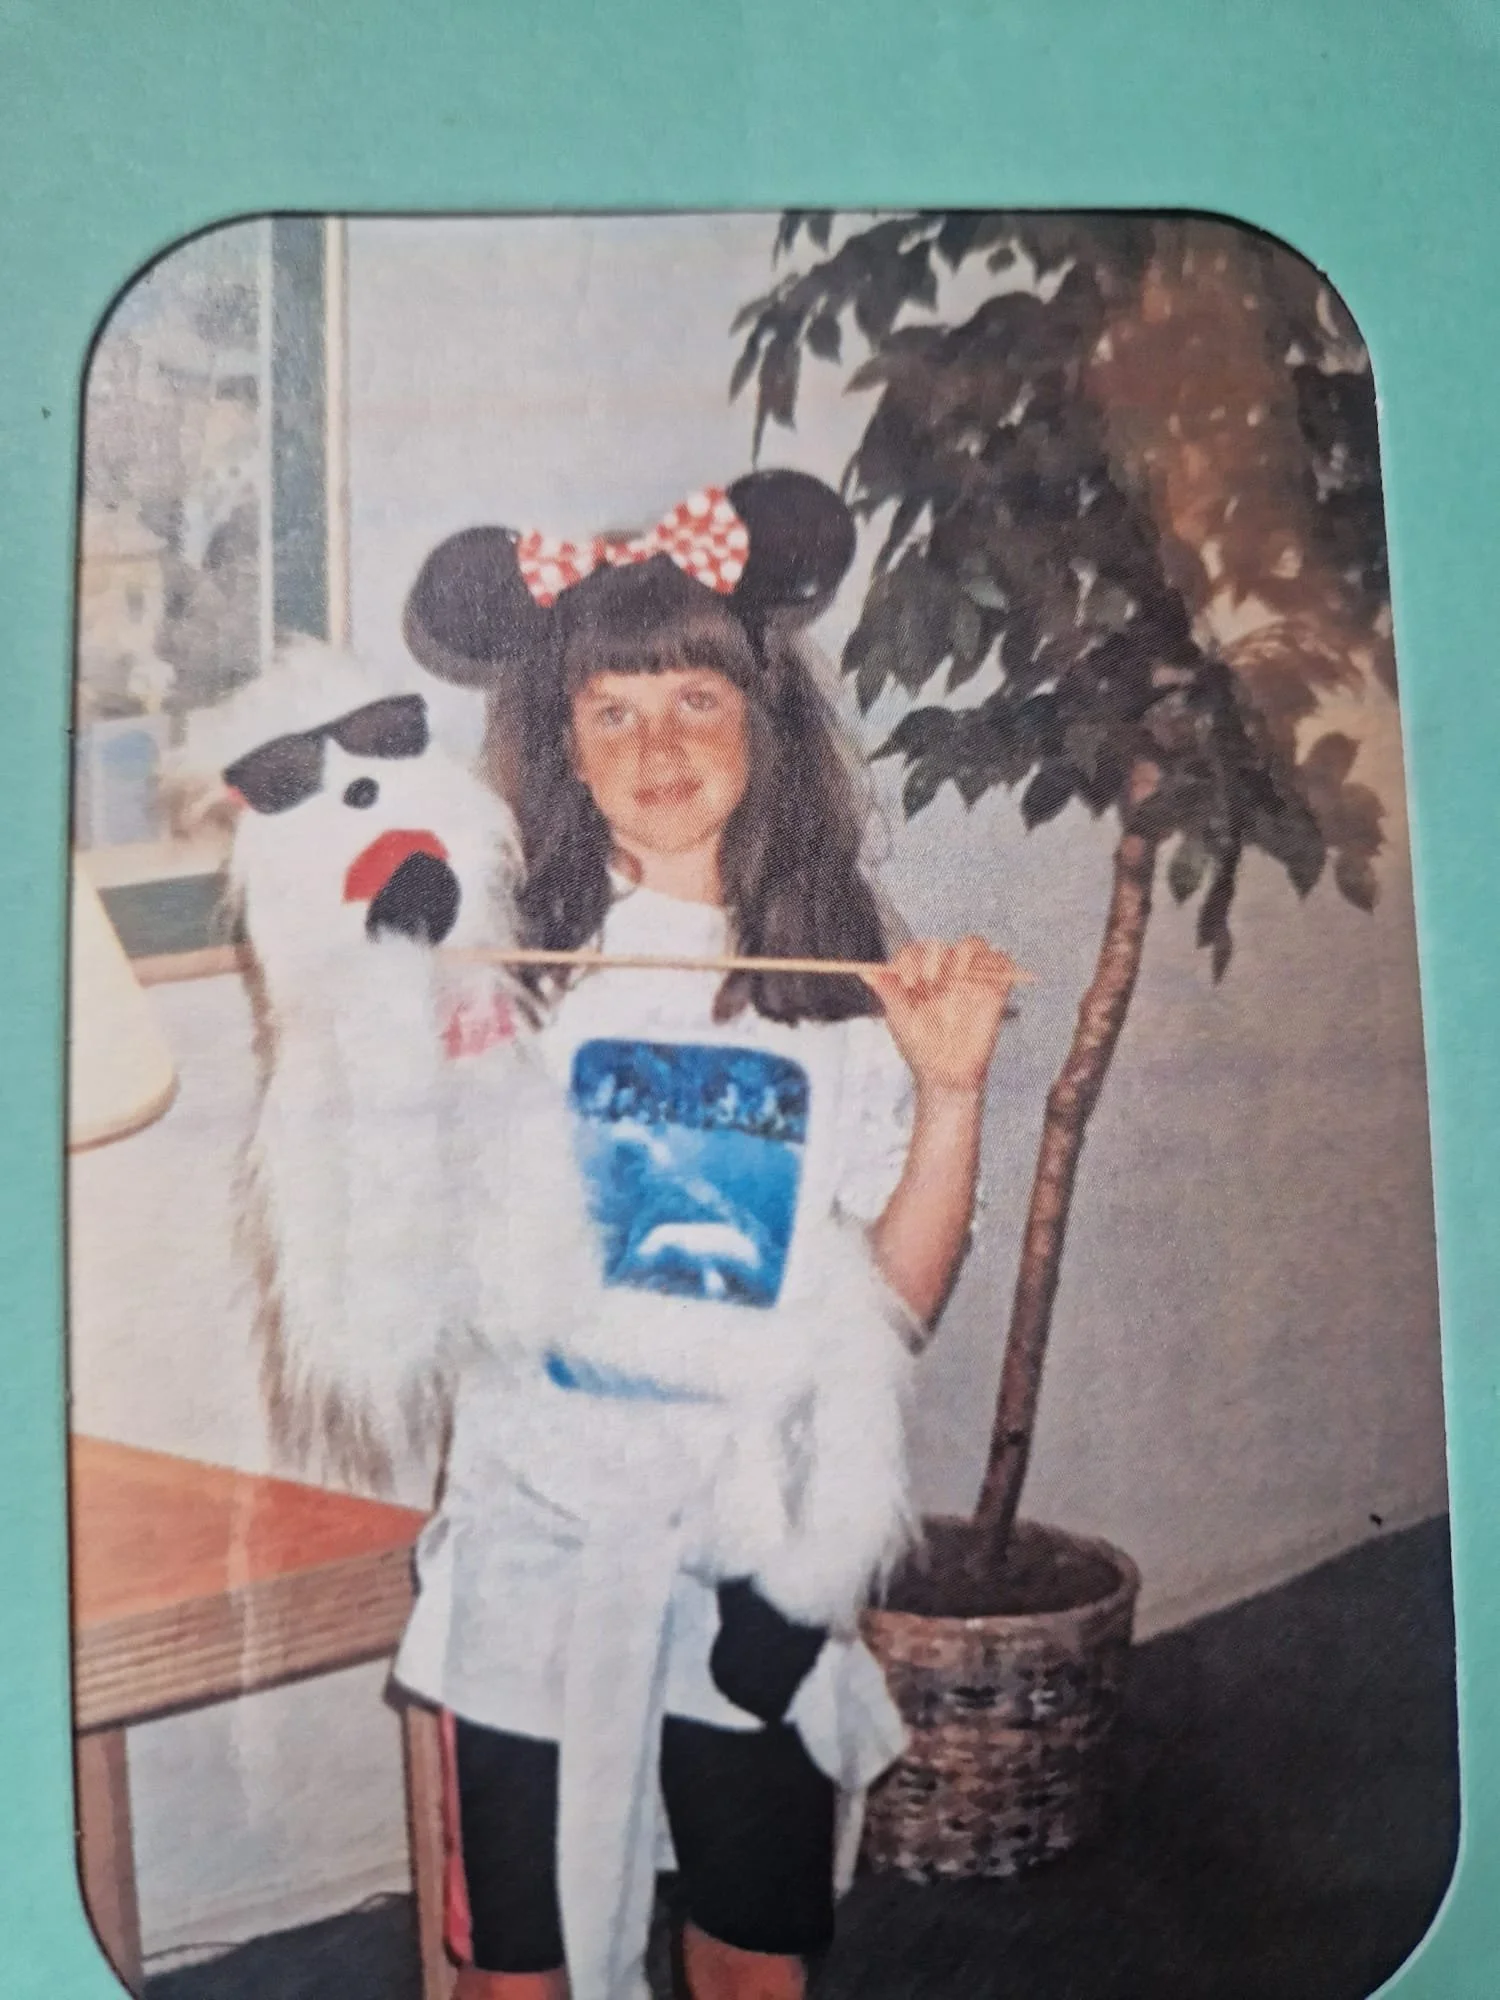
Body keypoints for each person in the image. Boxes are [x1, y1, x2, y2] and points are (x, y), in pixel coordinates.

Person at [394, 518, 1013, 2000]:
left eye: (695, 700)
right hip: (540, 1542)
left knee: (752, 1951)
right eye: (609, 708)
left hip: (759, 1551)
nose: (654, 742)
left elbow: (897, 1306)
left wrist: (952, 1096)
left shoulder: (849, 985)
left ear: (763, 726)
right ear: (561, 744)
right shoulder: (497, 971)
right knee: (518, 1973)